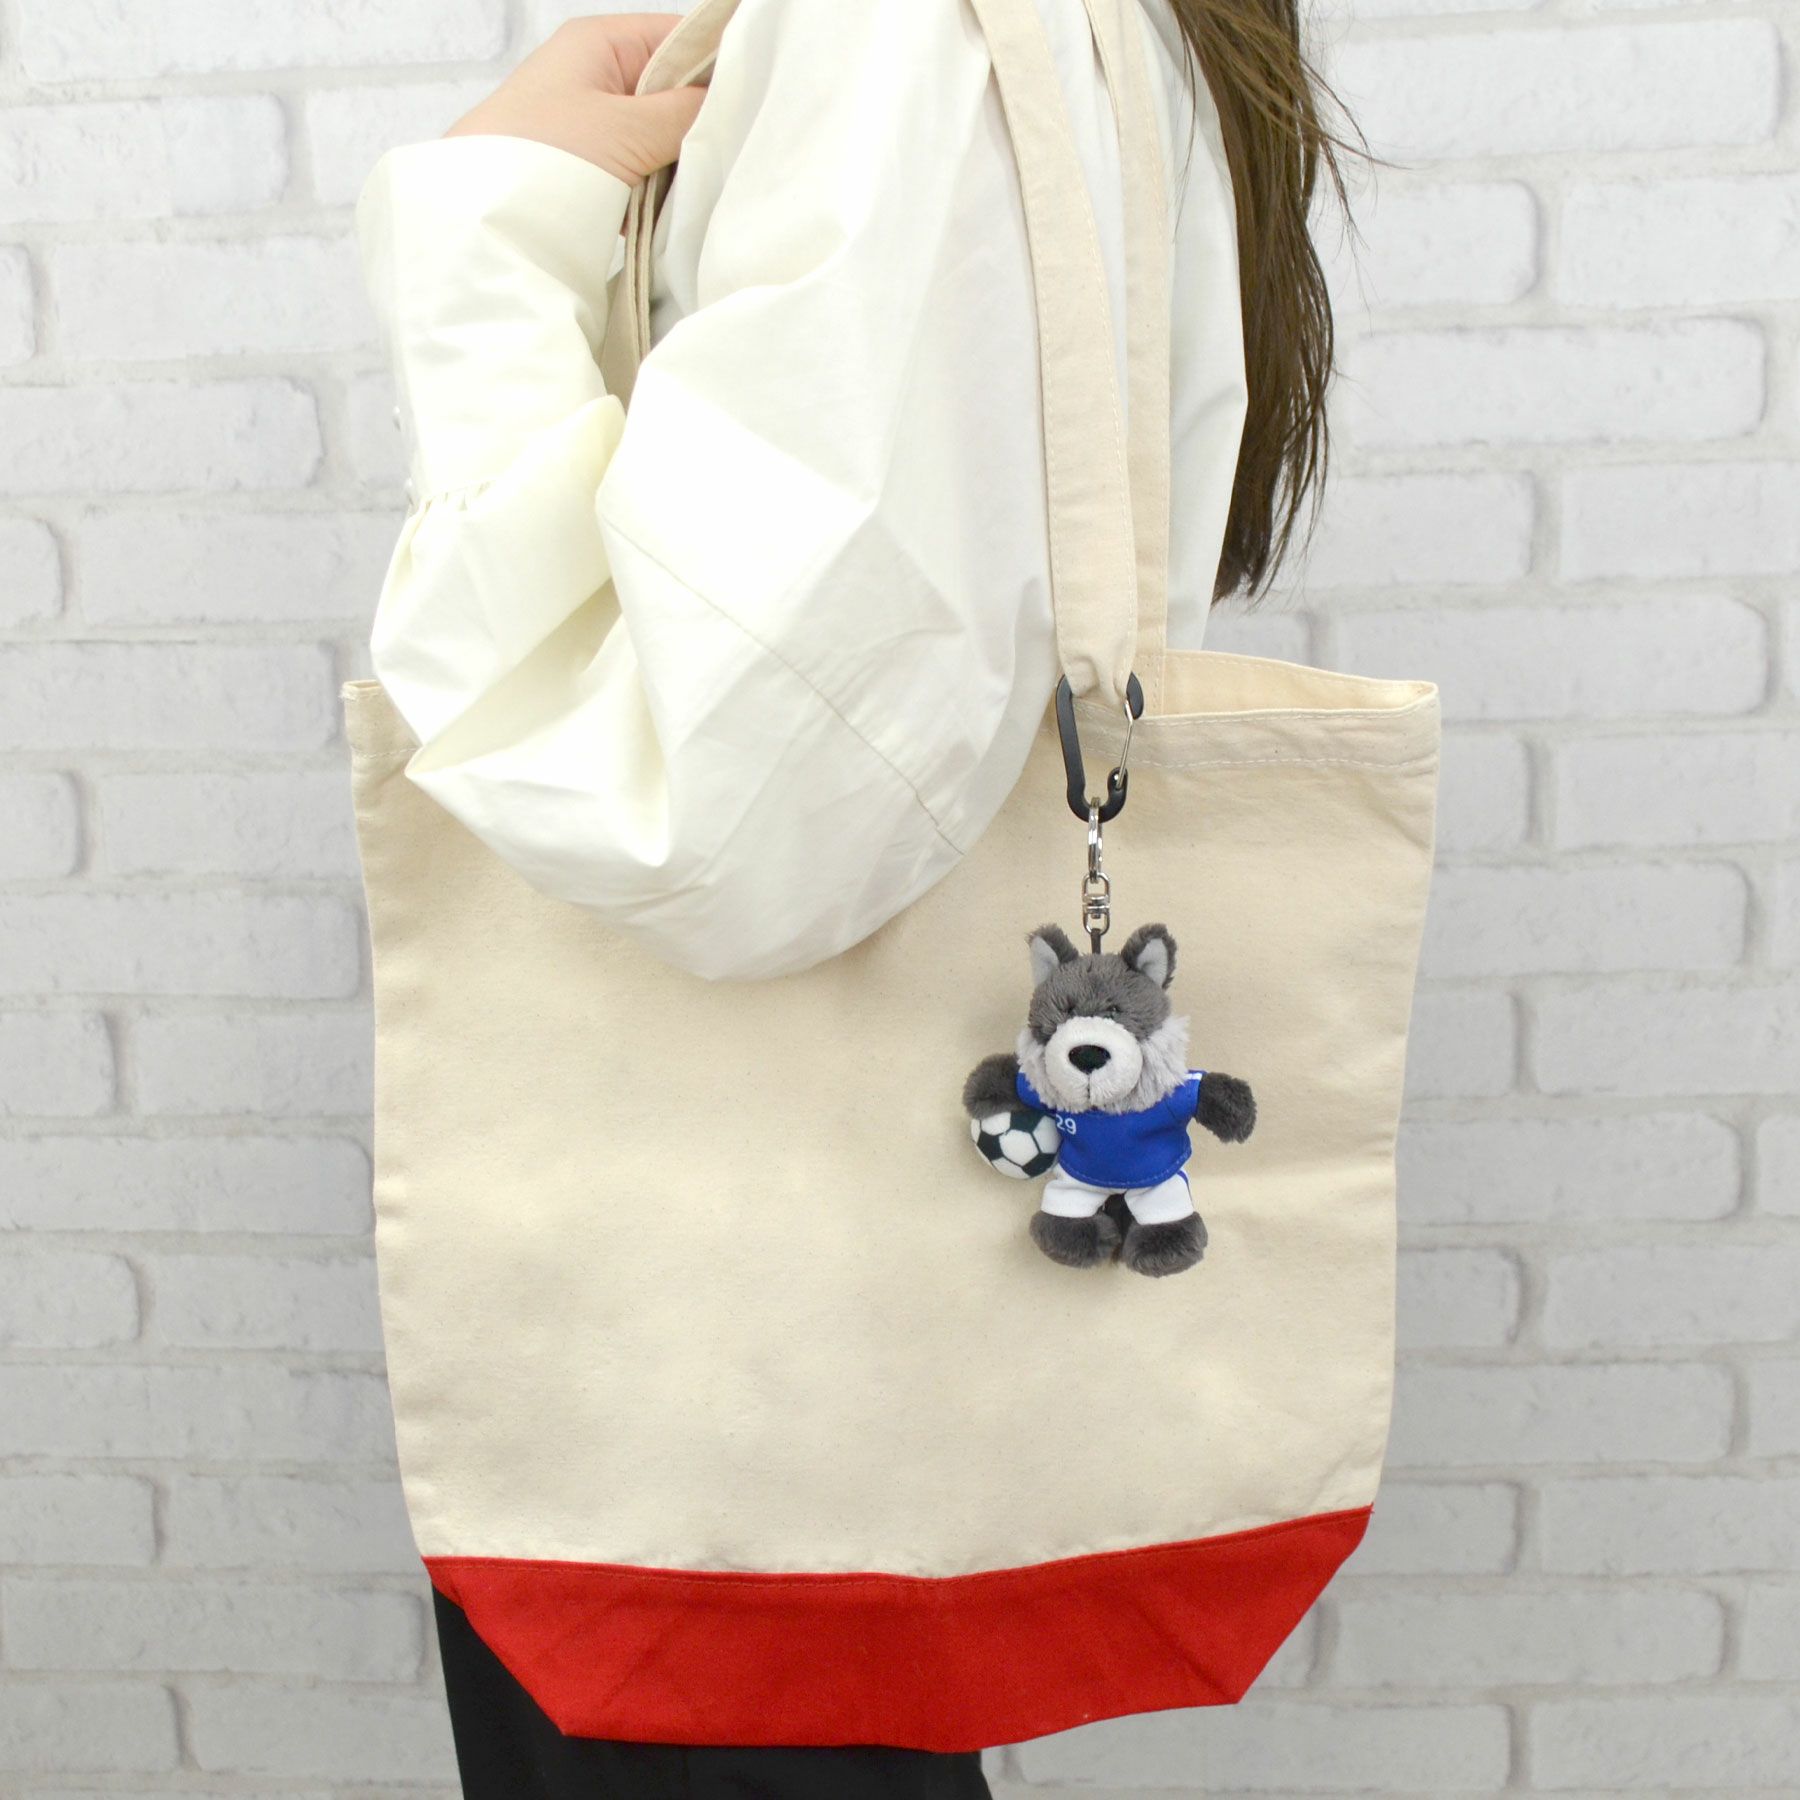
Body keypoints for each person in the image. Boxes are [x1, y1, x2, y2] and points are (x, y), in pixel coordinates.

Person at [356, 0, 1351, 1790]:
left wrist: (488, 225)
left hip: (706, 1405)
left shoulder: (896, 40)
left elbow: (700, 822)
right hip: (785, 1391)